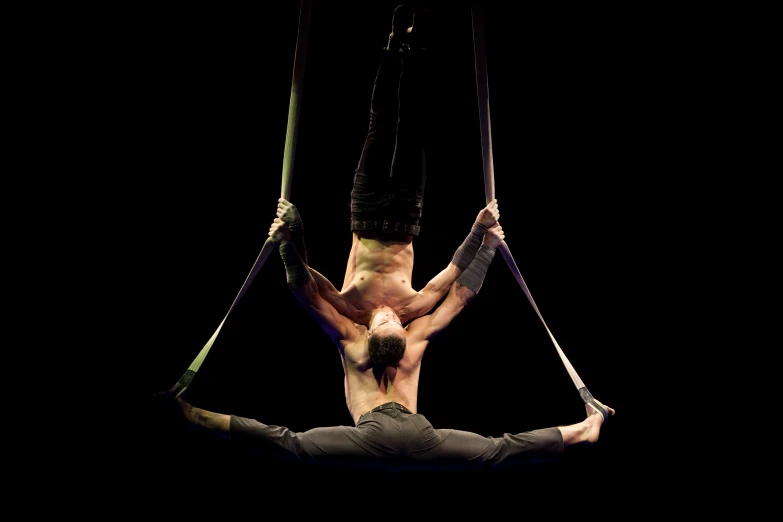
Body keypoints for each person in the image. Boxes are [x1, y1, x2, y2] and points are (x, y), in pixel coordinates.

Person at [155, 4, 615, 472]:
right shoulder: (411, 333)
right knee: (409, 129)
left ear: (372, 334)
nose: (391, 314)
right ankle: (582, 429)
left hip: (370, 232)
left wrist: (289, 236)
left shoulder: (353, 330)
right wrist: (485, 240)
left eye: (386, 321)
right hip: (406, 244)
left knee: (290, 444)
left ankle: (195, 416)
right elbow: (455, 291)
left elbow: (307, 291)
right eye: (394, 321)